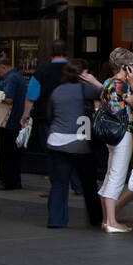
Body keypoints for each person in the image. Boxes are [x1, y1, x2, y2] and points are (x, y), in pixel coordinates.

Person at [44, 59, 105, 228]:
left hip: (55, 141)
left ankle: (56, 220)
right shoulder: (84, 89)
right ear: (83, 74)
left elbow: (49, 115)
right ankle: (96, 219)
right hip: (80, 142)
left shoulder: (57, 91)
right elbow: (109, 96)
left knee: (59, 183)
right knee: (89, 183)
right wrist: (94, 82)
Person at [98, 48, 133, 233]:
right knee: (117, 175)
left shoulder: (107, 82)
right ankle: (111, 222)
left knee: (110, 174)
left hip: (111, 133)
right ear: (126, 66)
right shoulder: (121, 85)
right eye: (132, 64)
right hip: (123, 131)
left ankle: (106, 218)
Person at [21, 39, 69, 151]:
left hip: (46, 119)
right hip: (70, 119)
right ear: (66, 52)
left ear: (51, 53)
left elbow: (31, 98)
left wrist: (25, 116)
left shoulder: (40, 72)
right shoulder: (74, 71)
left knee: (50, 153)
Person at [0, 55, 27, 190]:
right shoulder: (18, 76)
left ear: (4, 67)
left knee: (6, 152)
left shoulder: (10, 78)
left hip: (8, 120)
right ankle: (15, 181)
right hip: (17, 119)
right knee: (15, 153)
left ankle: (7, 181)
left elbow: (9, 99)